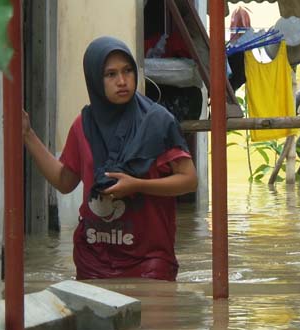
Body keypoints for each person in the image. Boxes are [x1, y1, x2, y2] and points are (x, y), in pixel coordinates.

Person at [22, 36, 197, 281]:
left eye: (127, 71)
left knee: (154, 317)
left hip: (149, 259)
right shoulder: (83, 125)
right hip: (93, 257)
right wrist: (28, 135)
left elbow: (189, 181)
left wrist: (138, 186)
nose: (122, 81)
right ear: (95, 79)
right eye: (110, 74)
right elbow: (65, 182)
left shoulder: (158, 122)